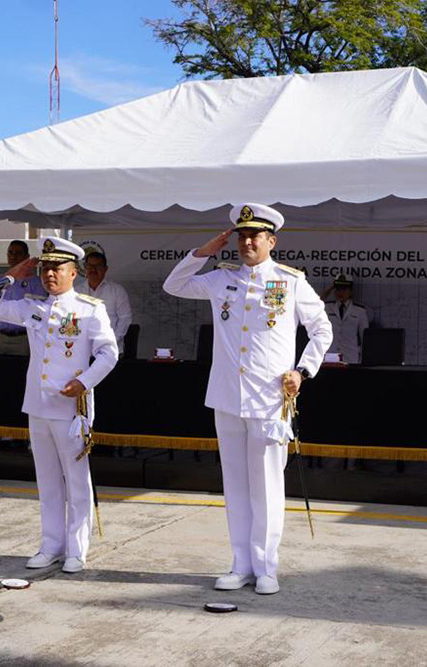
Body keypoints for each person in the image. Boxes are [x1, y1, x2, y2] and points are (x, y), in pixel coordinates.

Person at [163, 203, 332, 595]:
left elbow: (321, 329)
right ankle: (240, 564)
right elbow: (173, 285)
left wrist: (303, 370)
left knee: (267, 486)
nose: (247, 242)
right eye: (241, 236)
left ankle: (266, 566)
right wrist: (205, 250)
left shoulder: (289, 282)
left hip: (269, 399)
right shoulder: (221, 279)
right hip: (226, 396)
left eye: (255, 236)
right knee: (235, 485)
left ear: (271, 241)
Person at [0, 236, 118, 573]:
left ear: (74, 272)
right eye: (45, 268)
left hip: (72, 408)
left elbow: (109, 353)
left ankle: (76, 548)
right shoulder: (32, 306)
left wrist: (84, 381)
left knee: (76, 479)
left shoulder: (89, 309)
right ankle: (50, 544)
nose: (49, 274)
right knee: (47, 479)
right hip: (38, 405)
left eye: (57, 268)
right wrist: (15, 272)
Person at [0, 240, 46, 355]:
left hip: (23, 338)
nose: (13, 256)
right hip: (1, 337)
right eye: (10, 252)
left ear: (26, 257)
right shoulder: (1, 280)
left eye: (18, 253)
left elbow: (39, 313)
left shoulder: (36, 282)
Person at [77, 251, 132, 352]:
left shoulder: (117, 290)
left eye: (97, 266)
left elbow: (125, 319)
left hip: (110, 350)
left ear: (105, 269)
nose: (93, 269)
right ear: (85, 268)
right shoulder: (76, 292)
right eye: (90, 266)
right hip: (81, 351)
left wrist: (110, 341)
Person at [321, 274, 368, 363]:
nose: (340, 293)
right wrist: (330, 289)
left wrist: (361, 360)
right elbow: (316, 305)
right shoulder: (327, 308)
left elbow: (365, 339)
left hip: (351, 357)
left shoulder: (360, 311)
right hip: (331, 357)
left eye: (344, 289)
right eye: (338, 289)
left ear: (350, 291)